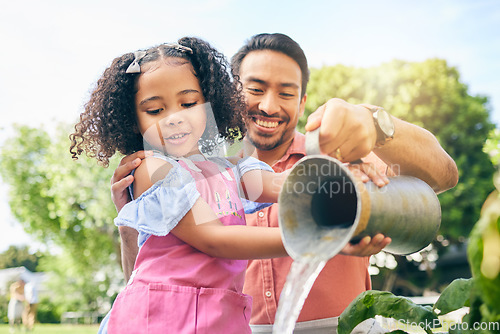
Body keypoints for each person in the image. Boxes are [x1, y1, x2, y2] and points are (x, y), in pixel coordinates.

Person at [110, 33, 459, 333]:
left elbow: (444, 175)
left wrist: (373, 123)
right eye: (256, 89)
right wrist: (131, 220)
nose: (269, 104)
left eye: (287, 93)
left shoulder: (340, 153)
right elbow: (174, 260)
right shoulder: (169, 169)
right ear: (233, 96)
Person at [69, 36, 324, 333]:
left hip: (216, 317)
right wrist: (310, 237)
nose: (174, 118)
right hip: (161, 320)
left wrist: (341, 188)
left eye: (188, 103)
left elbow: (281, 184)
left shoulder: (231, 168)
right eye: (155, 110)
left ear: (208, 104)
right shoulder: (152, 170)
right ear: (133, 120)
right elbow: (214, 238)